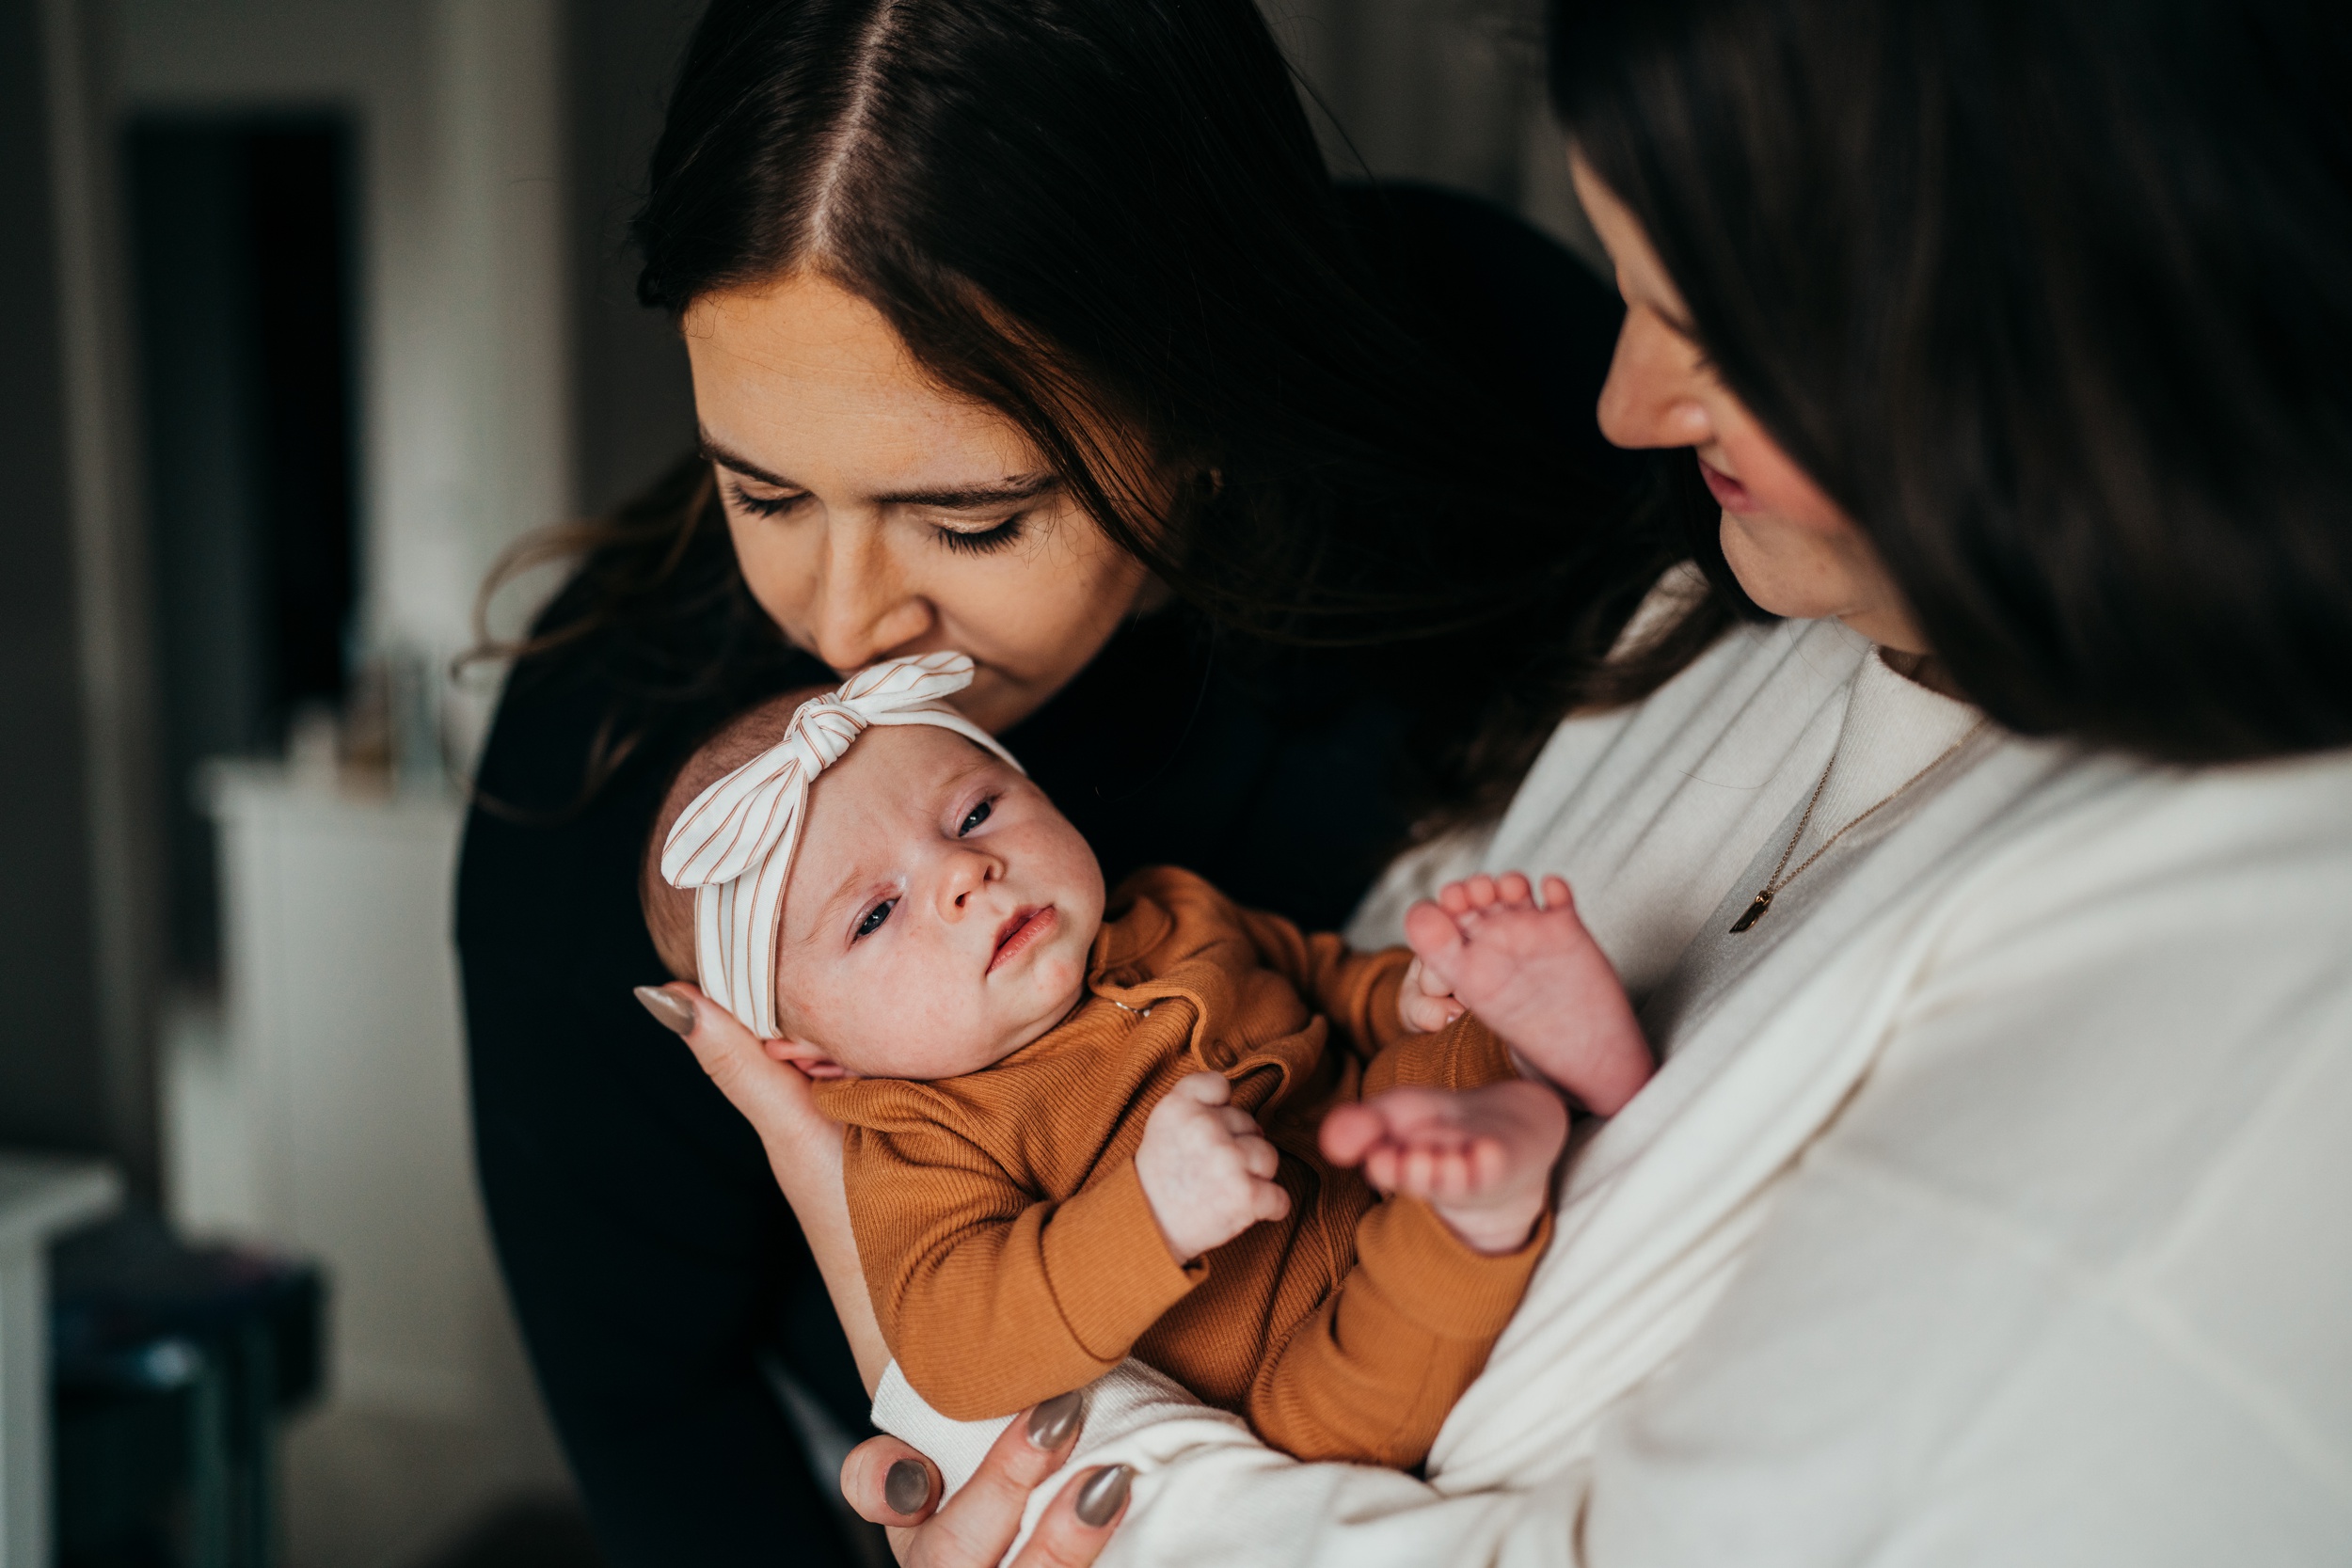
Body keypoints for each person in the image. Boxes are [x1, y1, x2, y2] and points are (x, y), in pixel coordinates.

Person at [646, 0, 2352, 1562]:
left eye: (1716, 318)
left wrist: (999, 1425)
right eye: (1633, 292)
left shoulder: (2233, 995)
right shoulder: (1721, 601)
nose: (1620, 406)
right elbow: (1408, 957)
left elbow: (1349, 994)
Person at [454, 0, 1697, 1560]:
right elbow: (650, 1412)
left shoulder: (1480, 368)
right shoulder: (623, 796)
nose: (842, 631)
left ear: (1209, 404)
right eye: (759, 492)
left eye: (969, 520)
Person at [638, 652, 1645, 1464]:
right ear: (812, 1058)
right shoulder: (918, 1137)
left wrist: (1406, 994)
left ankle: (1536, 1037)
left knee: (1434, 1055)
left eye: (976, 811)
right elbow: (952, 1342)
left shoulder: (1172, 906)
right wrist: (1149, 1216)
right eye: (874, 912)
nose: (964, 872)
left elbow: (1315, 973)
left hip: (1366, 1127)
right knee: (1357, 1402)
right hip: (1285, 1351)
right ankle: (1478, 1206)